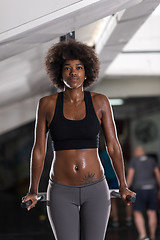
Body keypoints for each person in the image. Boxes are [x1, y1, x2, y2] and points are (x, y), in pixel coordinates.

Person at [22, 39, 135, 240]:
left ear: (86, 71)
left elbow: (113, 146)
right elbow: (39, 149)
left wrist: (123, 185)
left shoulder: (100, 101)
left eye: (79, 67)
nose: (73, 72)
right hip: (61, 190)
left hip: (96, 189)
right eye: (67, 68)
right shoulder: (47, 104)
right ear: (59, 72)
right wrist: (33, 190)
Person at [127, 146, 160, 240]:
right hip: (152, 189)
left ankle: (143, 236)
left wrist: (125, 189)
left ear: (137, 152)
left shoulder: (134, 161)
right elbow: (158, 175)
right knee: (152, 212)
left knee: (137, 212)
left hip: (139, 190)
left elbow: (130, 176)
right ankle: (153, 236)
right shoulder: (152, 160)